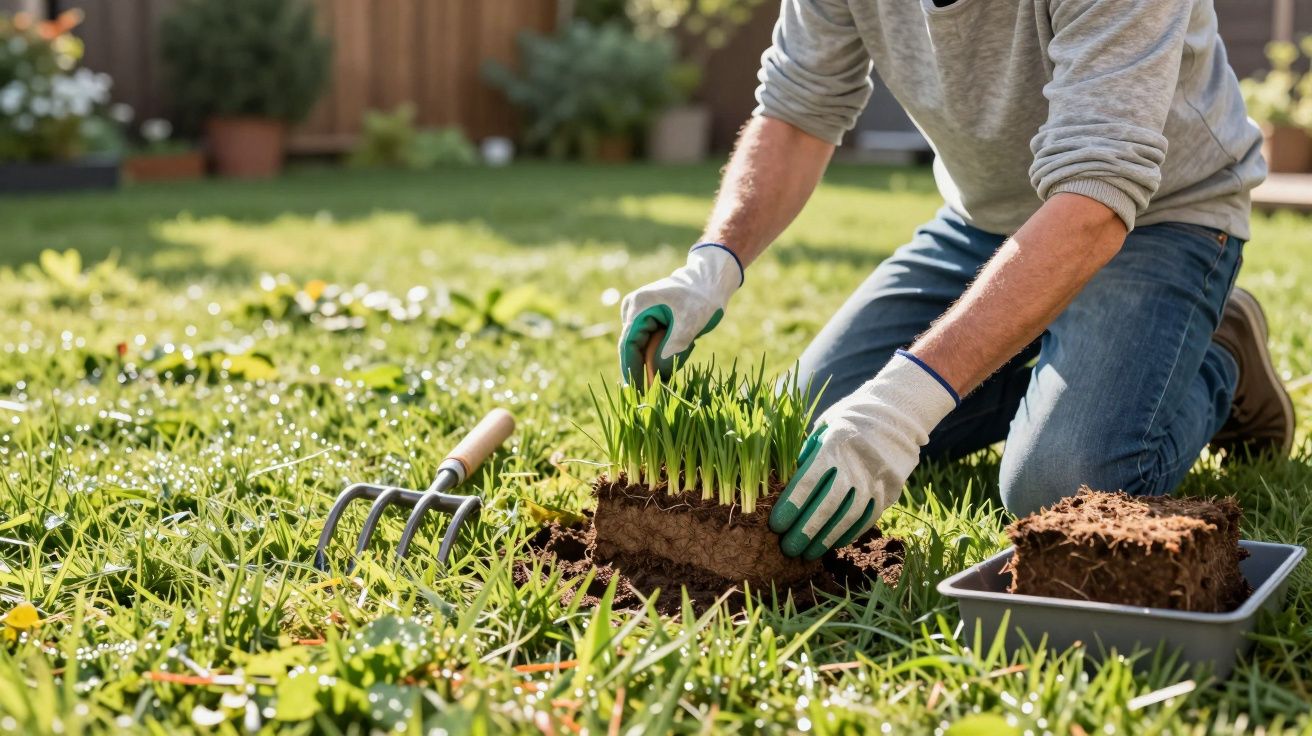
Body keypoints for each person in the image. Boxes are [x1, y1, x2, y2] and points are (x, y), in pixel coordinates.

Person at [617, 0, 1295, 561]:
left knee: (1061, 486)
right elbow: (797, 112)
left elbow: (1098, 190)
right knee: (808, 430)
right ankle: (1058, 350)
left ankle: (1216, 357)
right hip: (986, 220)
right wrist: (712, 265)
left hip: (1159, 215)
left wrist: (904, 403)